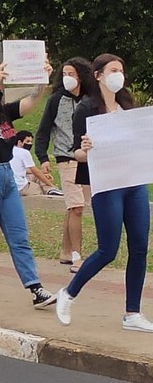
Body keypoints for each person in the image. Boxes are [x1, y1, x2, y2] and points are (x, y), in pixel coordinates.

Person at [56, 53, 153, 332]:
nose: (118, 76)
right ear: (98, 74)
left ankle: (132, 312)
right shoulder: (86, 109)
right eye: (113, 70)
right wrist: (85, 149)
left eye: (121, 70)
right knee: (108, 249)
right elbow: (75, 152)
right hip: (107, 184)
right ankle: (69, 293)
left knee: (139, 247)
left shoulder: (127, 105)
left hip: (133, 182)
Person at [0, 63, 57, 311]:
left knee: (19, 237)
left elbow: (30, 101)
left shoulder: (3, 112)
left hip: (6, 176)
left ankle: (35, 287)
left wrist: (42, 79)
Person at [35, 56, 95, 273]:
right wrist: (43, 158)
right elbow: (43, 131)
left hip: (87, 158)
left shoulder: (91, 100)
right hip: (65, 157)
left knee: (74, 206)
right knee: (77, 206)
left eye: (72, 74)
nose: (68, 78)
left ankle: (65, 251)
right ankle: (77, 257)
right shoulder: (56, 100)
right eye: (65, 74)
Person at [10, 131, 62, 196]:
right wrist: (51, 184)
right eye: (27, 141)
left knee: (36, 177)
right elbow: (35, 172)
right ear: (19, 142)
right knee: (40, 188)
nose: (30, 144)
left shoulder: (9, 150)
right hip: (20, 187)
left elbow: (20, 169)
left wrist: (43, 173)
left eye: (31, 141)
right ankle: (50, 189)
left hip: (11, 183)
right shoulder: (24, 152)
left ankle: (50, 189)